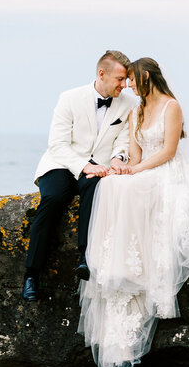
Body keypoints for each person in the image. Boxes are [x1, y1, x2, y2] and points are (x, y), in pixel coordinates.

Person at [77, 57, 189, 367]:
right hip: (143, 169)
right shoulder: (136, 111)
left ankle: (131, 267)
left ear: (145, 76)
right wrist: (122, 167)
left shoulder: (171, 107)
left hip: (167, 172)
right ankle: (117, 267)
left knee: (128, 186)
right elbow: (134, 154)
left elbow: (168, 151)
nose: (129, 86)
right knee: (110, 186)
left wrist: (135, 170)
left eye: (132, 80)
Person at [23, 50, 138, 301]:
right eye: (120, 79)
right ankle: (32, 274)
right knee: (53, 199)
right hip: (61, 164)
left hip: (100, 168)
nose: (124, 85)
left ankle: (86, 259)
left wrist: (119, 158)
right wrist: (86, 166)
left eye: (126, 80)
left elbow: (124, 140)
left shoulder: (129, 104)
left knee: (96, 191)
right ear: (101, 74)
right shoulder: (69, 98)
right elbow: (58, 144)